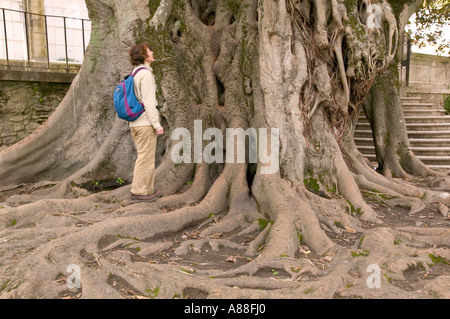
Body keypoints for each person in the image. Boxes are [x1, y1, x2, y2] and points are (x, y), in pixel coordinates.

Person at [128, 42, 164, 202]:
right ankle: (138, 192)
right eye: (149, 50)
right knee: (145, 158)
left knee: (147, 158)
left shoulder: (134, 73)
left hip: (136, 123)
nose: (152, 52)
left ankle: (147, 190)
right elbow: (149, 103)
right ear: (143, 55)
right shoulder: (146, 75)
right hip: (144, 123)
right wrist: (157, 125)